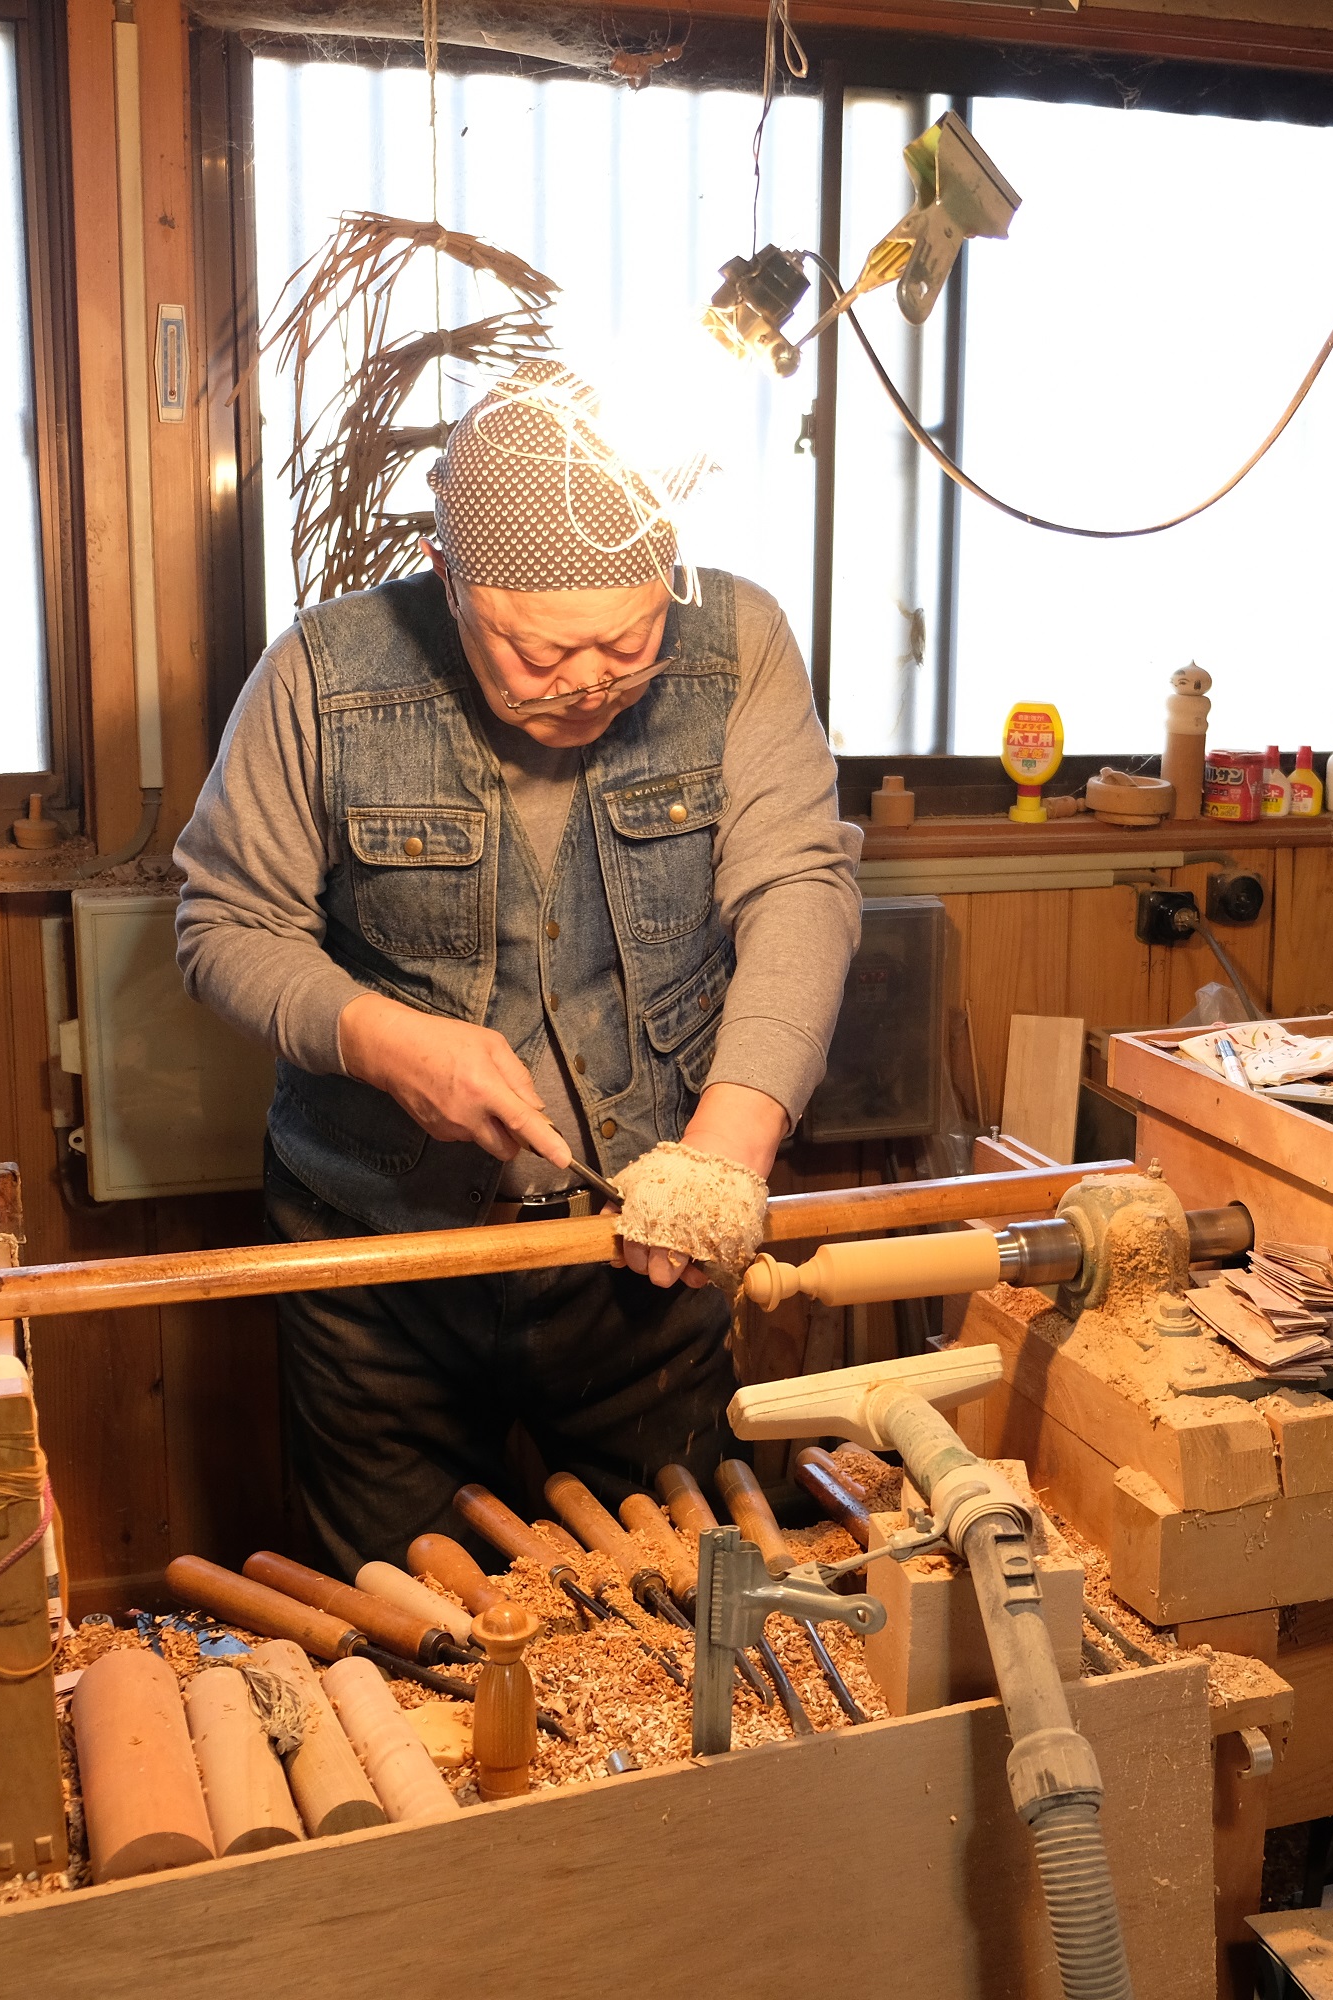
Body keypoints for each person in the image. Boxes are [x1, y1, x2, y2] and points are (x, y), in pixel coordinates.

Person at [174, 362, 861, 1572]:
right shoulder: (322, 678)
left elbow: (800, 888)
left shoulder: (741, 642)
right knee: (403, 1627)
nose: (591, 677)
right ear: (449, 586)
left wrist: (725, 1152)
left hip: (638, 1254)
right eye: (540, 651)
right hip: (377, 1257)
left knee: (673, 1614)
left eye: (630, 636)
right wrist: (383, 1042)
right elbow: (224, 922)